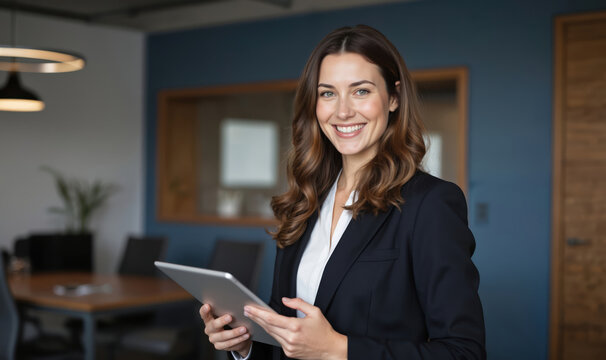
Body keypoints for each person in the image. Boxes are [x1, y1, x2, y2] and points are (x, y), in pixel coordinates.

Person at [200, 24, 486, 360]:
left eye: (361, 91)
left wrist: (341, 350)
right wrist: (246, 345)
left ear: (393, 97)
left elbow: (464, 352)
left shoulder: (431, 203)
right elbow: (288, 336)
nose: (343, 111)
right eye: (328, 93)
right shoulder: (303, 202)